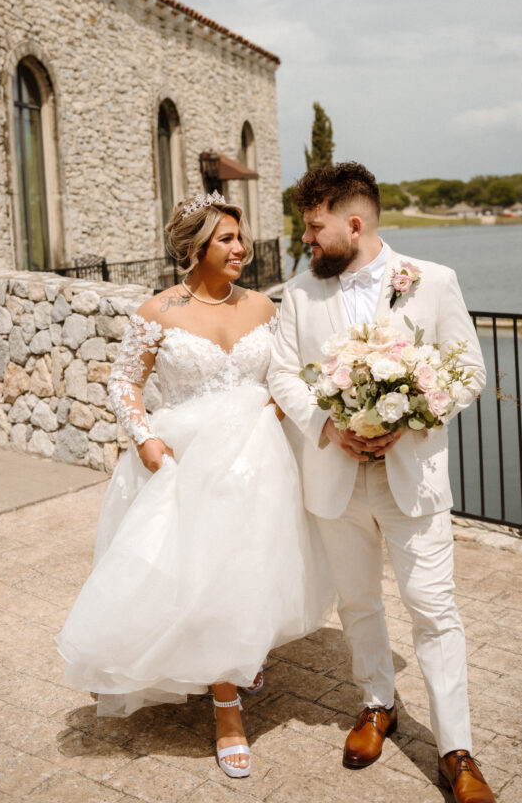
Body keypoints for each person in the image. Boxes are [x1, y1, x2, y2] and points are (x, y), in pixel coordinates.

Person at [56, 191, 333, 779]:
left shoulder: (264, 306)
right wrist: (146, 440)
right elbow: (123, 382)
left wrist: (278, 418)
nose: (242, 248)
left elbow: (290, 376)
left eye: (241, 237)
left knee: (251, 567)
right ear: (194, 248)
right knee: (203, 574)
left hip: (259, 461)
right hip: (186, 464)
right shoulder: (158, 312)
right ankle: (226, 709)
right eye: (227, 240)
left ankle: (239, 651)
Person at [268, 163, 496, 803]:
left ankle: (457, 749)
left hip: (411, 481)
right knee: (358, 603)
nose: (306, 239)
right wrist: (327, 425)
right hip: (335, 479)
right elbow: (284, 375)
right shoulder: (298, 293)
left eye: (314, 227)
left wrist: (416, 411)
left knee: (434, 609)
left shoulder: (432, 282)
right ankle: (376, 705)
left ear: (354, 223)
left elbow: (469, 372)